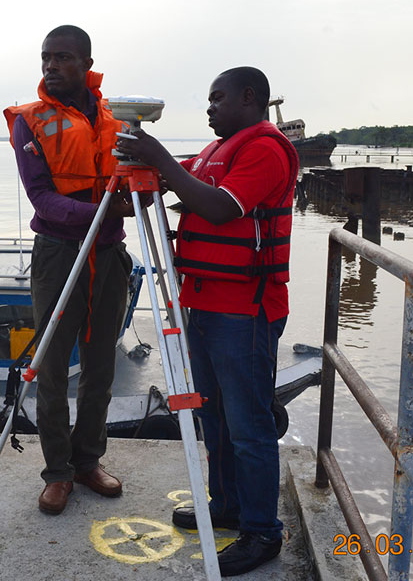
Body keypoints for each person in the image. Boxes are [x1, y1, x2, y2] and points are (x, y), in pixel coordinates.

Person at [116, 66, 299, 576]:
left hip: (245, 311)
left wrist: (158, 158)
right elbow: (178, 181)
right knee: (214, 415)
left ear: (249, 97)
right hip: (204, 305)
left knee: (249, 426)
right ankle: (227, 505)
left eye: (218, 98)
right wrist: (141, 165)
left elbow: (220, 208)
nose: (209, 108)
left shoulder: (265, 149)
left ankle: (262, 532)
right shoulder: (215, 151)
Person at [4, 25, 134, 515]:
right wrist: (103, 210)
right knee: (53, 366)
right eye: (46, 58)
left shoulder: (119, 119)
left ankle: (87, 461)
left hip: (109, 254)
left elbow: (136, 182)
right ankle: (57, 472)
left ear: (86, 63)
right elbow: (41, 198)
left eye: (62, 58)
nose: (51, 66)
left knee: (101, 364)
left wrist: (146, 190)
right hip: (58, 254)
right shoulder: (29, 122)